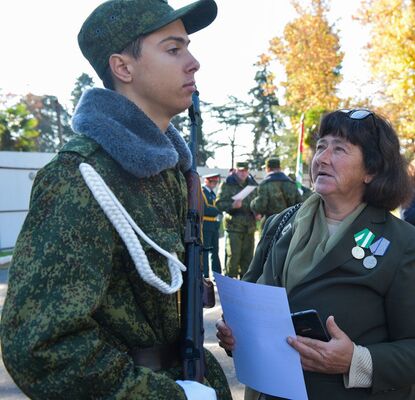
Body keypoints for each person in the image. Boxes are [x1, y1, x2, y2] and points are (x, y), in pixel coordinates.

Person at [0, 1, 231, 399]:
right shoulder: (80, 176)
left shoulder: (170, 173)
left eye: (188, 48)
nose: (193, 63)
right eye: (174, 49)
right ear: (123, 68)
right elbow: (40, 346)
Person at [217, 109, 415, 399]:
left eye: (339, 149)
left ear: (372, 170)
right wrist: (234, 333)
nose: (322, 158)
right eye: (321, 146)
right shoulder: (279, 224)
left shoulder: (405, 244)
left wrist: (357, 360)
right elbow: (249, 299)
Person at [216, 161, 259, 278]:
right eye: (240, 170)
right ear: (235, 170)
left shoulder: (252, 185)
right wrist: (232, 205)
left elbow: (257, 202)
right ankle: (230, 284)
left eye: (245, 171)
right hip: (233, 227)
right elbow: (219, 204)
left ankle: (245, 287)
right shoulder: (227, 184)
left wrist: (257, 212)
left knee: (248, 260)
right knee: (233, 258)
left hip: (249, 227)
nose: (243, 173)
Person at [251, 157, 302, 223]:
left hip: (270, 223)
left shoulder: (265, 184)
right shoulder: (291, 183)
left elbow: (261, 206)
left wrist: (252, 204)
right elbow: (299, 203)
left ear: (268, 169)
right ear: (279, 168)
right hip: (288, 223)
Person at [202, 173, 222, 279]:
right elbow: (205, 209)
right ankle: (205, 273)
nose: (214, 184)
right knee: (205, 250)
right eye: (212, 182)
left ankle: (216, 274)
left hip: (214, 224)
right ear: (206, 181)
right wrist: (217, 210)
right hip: (206, 224)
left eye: (215, 182)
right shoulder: (202, 192)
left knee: (215, 250)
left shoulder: (212, 193)